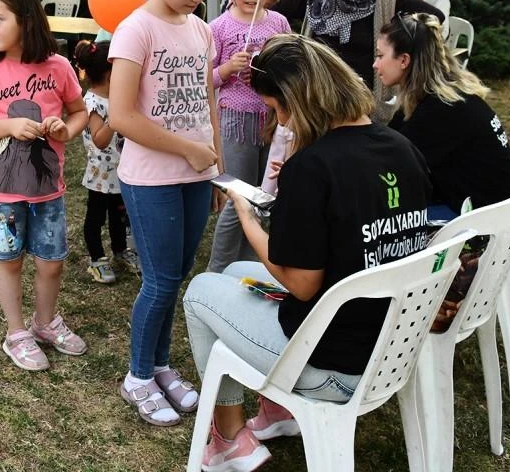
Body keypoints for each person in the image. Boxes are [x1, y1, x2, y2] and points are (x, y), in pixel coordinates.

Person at [183, 35, 432, 471]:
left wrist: (247, 217)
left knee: (202, 290)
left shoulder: (312, 167)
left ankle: (228, 439)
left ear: (299, 99)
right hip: (391, 341)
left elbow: (301, 282)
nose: (281, 125)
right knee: (239, 271)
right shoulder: (402, 146)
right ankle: (276, 413)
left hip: (331, 363)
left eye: (278, 111)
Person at [107, 0, 222, 425]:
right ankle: (136, 376)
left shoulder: (199, 29)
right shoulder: (136, 30)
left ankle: (159, 364)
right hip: (151, 177)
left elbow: (208, 100)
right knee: (159, 280)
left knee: (177, 276)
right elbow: (122, 116)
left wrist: (213, 158)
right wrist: (189, 151)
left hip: (197, 177)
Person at [0, 0, 89, 371]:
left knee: (51, 262)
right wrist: (9, 126)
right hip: (1, 191)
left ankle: (45, 323)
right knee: (10, 260)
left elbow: (78, 112)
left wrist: (66, 130)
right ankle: (16, 333)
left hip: (47, 188)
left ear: (27, 20)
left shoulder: (59, 66)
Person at [272, 0, 443, 122]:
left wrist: (395, 43)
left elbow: (434, 17)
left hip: (362, 105)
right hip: (317, 99)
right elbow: (275, 16)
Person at [375, 13, 510, 220]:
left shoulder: (441, 109)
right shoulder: (439, 94)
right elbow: (389, 138)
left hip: (484, 222)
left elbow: (391, 167)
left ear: (404, 60)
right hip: (482, 206)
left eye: (380, 56)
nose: (375, 65)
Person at [207, 0, 291, 273]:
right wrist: (228, 68)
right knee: (239, 197)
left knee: (264, 198)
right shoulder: (219, 27)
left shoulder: (279, 23)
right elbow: (206, 79)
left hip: (273, 120)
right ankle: (217, 269)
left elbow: (290, 66)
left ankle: (249, 265)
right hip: (235, 122)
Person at [72, 39, 129, 285]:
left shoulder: (116, 97)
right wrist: (114, 118)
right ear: (108, 74)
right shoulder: (94, 103)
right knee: (95, 218)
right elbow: (99, 140)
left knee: (119, 215)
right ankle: (97, 259)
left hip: (121, 171)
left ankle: (121, 251)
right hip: (101, 175)